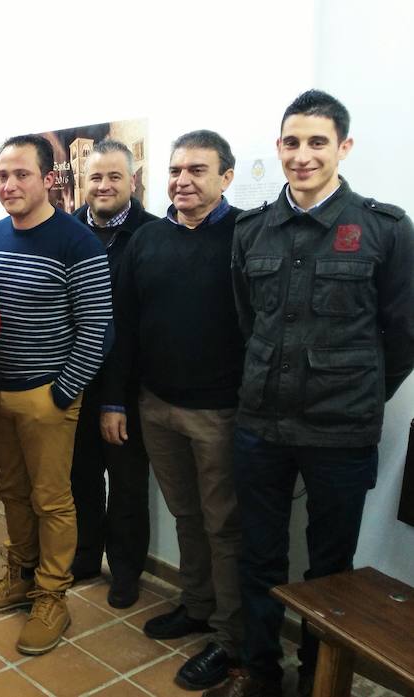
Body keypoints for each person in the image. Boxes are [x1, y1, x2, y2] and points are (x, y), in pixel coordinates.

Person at [206, 90, 414, 697]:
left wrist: (357, 392)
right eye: (292, 142)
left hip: (340, 433)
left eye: (318, 142)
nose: (303, 155)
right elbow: (248, 322)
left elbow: (403, 335)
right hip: (261, 426)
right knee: (259, 557)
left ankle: (318, 682)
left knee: (330, 570)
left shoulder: (383, 228)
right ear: (278, 147)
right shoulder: (251, 230)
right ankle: (261, 674)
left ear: (343, 147)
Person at [0, 134, 112, 656]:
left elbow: (97, 328)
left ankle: (52, 595)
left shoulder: (78, 243)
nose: (9, 185)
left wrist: (63, 392)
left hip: (46, 396)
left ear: (48, 179)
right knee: (11, 490)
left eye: (21, 174)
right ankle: (20, 576)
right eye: (2, 175)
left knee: (51, 500)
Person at [111, 130, 245, 690]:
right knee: (186, 515)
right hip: (157, 406)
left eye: (197, 170)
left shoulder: (245, 236)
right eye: (175, 170)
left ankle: (230, 638)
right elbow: (125, 326)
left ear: (226, 177)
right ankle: (196, 605)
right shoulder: (147, 239)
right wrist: (117, 400)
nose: (183, 181)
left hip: (220, 413)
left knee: (224, 526)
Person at [70, 139, 157, 609]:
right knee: (80, 478)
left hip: (127, 389)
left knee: (126, 486)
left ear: (133, 180)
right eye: (96, 177)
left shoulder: (153, 234)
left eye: (114, 177)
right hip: (75, 384)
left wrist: (117, 397)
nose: (104, 185)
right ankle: (86, 557)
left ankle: (125, 572)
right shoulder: (67, 231)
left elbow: (142, 323)